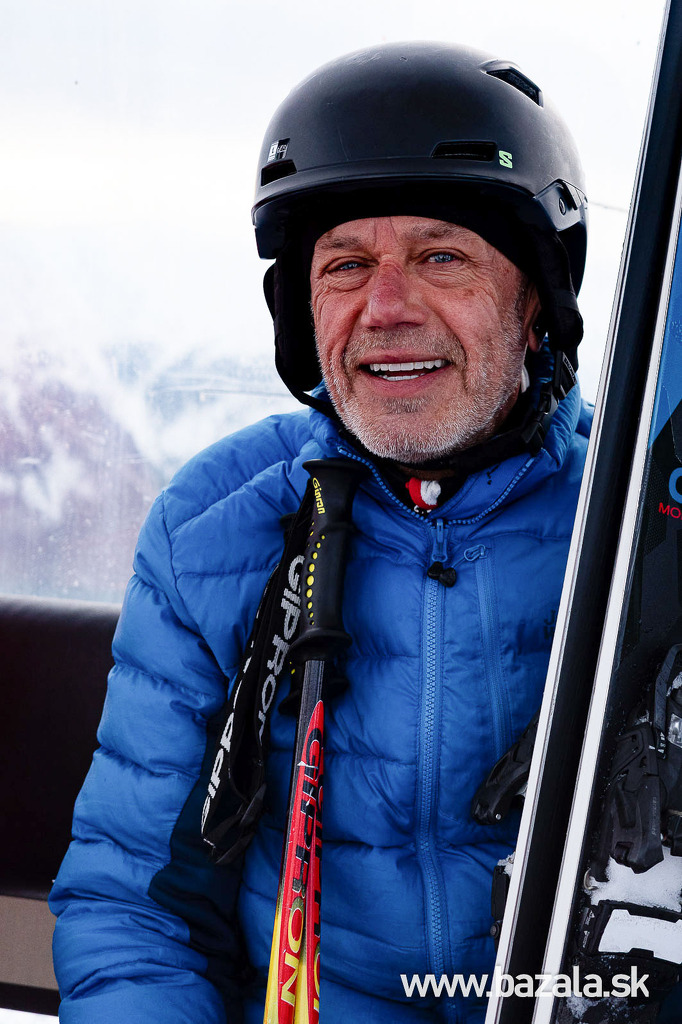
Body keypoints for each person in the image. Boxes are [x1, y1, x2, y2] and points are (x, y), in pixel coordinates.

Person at [49, 41, 592, 1023]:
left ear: (535, 307)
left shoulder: (640, 518)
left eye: (440, 257)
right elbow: (131, 902)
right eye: (346, 265)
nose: (385, 309)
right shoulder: (218, 525)